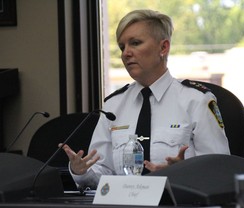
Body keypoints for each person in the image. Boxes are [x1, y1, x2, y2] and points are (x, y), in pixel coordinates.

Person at [62, 9, 230, 189]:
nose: (126, 53)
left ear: (163, 47)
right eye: (122, 47)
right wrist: (81, 172)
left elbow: (220, 169)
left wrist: (182, 174)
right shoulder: (113, 106)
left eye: (135, 43)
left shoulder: (196, 100)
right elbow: (102, 172)